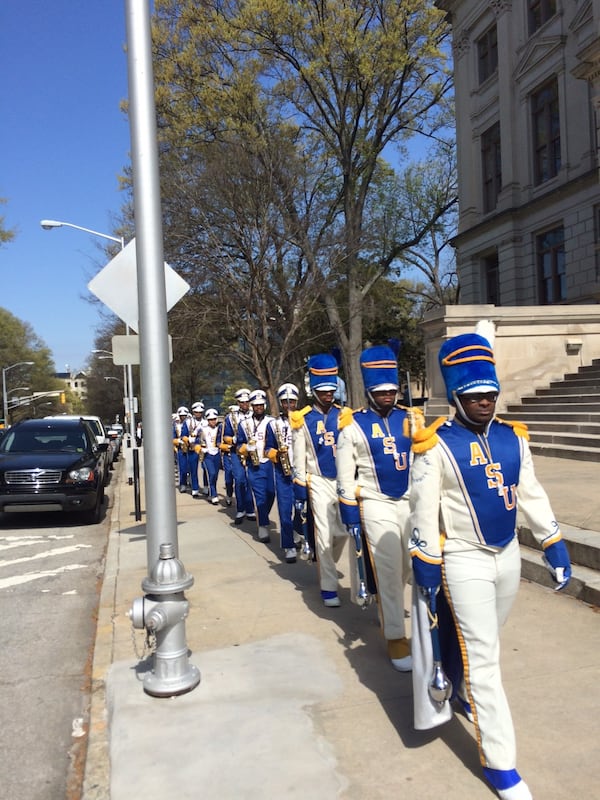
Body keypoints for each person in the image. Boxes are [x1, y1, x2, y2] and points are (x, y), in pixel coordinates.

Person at [408, 325, 572, 800]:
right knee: (486, 659)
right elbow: (422, 510)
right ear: (457, 396)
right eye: (474, 394)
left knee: (485, 641)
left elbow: (530, 493)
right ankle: (502, 764)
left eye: (490, 393)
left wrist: (552, 542)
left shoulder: (513, 437)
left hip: (508, 558)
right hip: (462, 559)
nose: (485, 401)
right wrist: (425, 561)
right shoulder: (434, 445)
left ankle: (458, 686)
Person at [336, 344, 422, 672]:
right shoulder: (352, 424)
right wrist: (349, 510)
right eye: (380, 391)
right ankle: (396, 636)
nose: (387, 396)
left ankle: (383, 601)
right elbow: (346, 475)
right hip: (373, 500)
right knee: (387, 567)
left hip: (409, 500)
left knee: (405, 567)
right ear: (370, 391)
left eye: (391, 390)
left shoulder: (411, 418)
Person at [291, 353, 348, 607]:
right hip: (318, 480)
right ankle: (328, 587)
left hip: (344, 480)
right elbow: (298, 456)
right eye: (322, 391)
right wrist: (300, 484)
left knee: (344, 532)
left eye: (331, 390)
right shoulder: (302, 419)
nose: (328, 395)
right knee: (324, 532)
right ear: (314, 391)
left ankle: (326, 560)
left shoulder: (346, 415)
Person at [265, 383, 299, 564]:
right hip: (282, 472)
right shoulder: (273, 424)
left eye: (292, 402)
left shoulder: (304, 420)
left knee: (303, 508)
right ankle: (288, 545)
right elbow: (267, 448)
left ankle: (297, 531)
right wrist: (277, 454)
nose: (288, 405)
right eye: (285, 403)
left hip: (302, 471)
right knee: (285, 509)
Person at [236, 389, 276, 542]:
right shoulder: (244, 424)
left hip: (268, 463)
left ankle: (262, 514)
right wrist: (246, 448)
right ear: (251, 406)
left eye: (261, 405)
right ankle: (263, 526)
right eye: (256, 405)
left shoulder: (271, 422)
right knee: (259, 496)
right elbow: (238, 445)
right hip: (253, 464)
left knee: (271, 493)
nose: (259, 407)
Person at [221, 389, 256, 524]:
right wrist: (234, 440)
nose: (245, 404)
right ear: (238, 402)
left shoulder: (255, 414)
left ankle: (251, 509)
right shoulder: (231, 418)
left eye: (247, 402)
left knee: (250, 481)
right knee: (240, 480)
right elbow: (225, 436)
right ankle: (240, 509)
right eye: (242, 402)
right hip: (237, 452)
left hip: (253, 452)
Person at [198, 408, 222, 505]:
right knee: (211, 473)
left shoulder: (219, 429)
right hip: (208, 455)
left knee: (215, 475)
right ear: (207, 420)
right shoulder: (203, 429)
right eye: (210, 419)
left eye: (214, 419)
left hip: (217, 454)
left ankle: (212, 491)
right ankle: (213, 494)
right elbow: (197, 441)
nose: (213, 421)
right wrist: (201, 448)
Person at [219, 404, 238, 506]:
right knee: (229, 477)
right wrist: (227, 446)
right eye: (232, 413)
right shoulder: (222, 426)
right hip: (228, 454)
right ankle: (229, 495)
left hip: (238, 454)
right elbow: (219, 442)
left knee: (239, 479)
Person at [172, 406, 192, 493]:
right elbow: (172, 437)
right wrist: (178, 441)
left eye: (185, 415)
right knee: (182, 468)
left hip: (191, 447)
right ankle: (182, 484)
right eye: (181, 415)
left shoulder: (190, 424)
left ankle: (191, 482)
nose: (183, 417)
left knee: (191, 467)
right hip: (181, 448)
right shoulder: (175, 425)